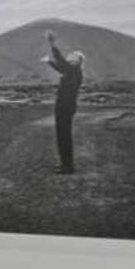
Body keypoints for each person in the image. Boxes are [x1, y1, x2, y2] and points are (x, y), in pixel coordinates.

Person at [42, 29, 84, 175]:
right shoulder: (72, 71)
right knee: (61, 136)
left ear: (78, 61)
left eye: (72, 57)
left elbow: (62, 63)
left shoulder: (75, 71)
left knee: (64, 136)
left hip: (65, 108)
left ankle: (68, 167)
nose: (70, 57)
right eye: (70, 56)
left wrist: (52, 44)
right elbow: (61, 67)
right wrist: (49, 62)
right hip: (63, 107)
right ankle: (65, 164)